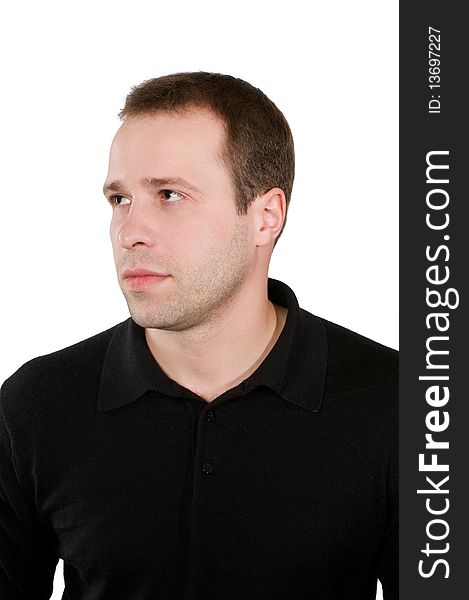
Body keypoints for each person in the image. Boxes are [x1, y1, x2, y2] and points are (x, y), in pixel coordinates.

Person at [0, 72, 398, 599]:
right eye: (119, 199)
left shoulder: (400, 404)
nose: (129, 232)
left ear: (265, 217)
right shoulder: (38, 403)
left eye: (169, 194)